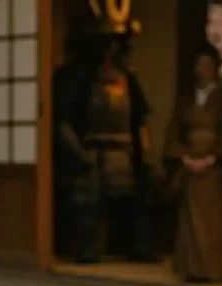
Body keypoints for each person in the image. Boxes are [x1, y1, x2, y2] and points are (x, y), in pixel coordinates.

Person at [56, 23, 155, 263]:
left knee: (141, 196)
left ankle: (134, 247)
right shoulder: (75, 76)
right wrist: (80, 153)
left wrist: (144, 154)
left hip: (125, 152)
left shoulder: (128, 78)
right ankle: (87, 250)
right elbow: (62, 122)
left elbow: (139, 119)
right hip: (90, 151)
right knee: (87, 202)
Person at [164, 43, 222, 283]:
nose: (203, 69)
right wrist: (184, 157)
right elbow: (174, 133)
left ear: (216, 69)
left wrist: (212, 157)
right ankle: (191, 270)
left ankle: (214, 271)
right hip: (189, 163)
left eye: (208, 64)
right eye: (199, 64)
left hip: (214, 167)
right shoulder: (185, 101)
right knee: (190, 222)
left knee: (214, 222)